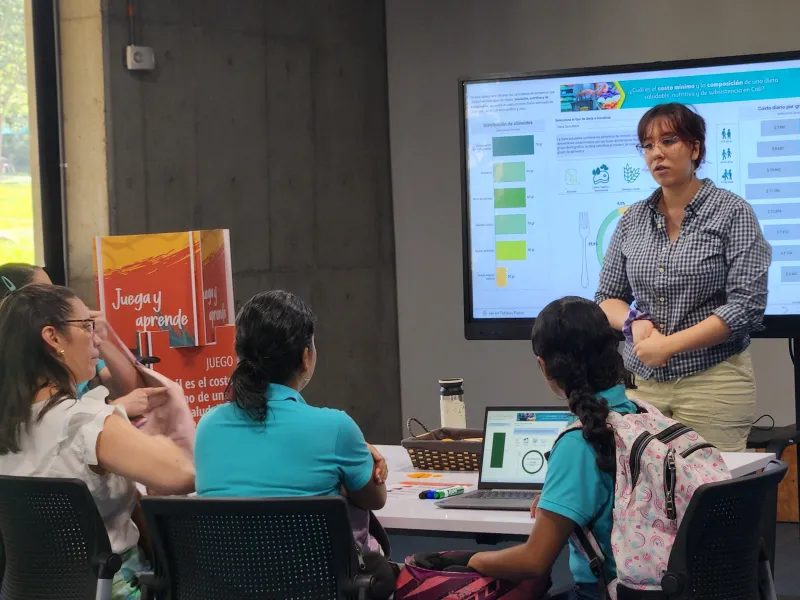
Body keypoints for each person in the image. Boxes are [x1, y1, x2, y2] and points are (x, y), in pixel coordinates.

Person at [0, 284, 195, 599]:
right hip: (109, 588)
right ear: (53, 338)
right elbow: (181, 475)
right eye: (87, 326)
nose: (97, 339)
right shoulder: (85, 423)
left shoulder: (12, 423)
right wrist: (169, 424)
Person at [596, 103, 770, 451]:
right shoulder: (632, 220)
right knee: (645, 495)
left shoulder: (732, 212)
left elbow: (747, 306)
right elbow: (606, 298)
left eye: (668, 141)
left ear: (695, 148)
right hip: (642, 385)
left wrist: (669, 346)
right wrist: (634, 323)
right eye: (647, 145)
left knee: (711, 496)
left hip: (713, 380)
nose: (656, 153)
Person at [467, 297, 635, 600]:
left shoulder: (578, 442)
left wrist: (473, 561)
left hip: (601, 592)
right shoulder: (641, 414)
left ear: (544, 366)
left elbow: (533, 561)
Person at [195, 290, 387, 512]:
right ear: (306, 357)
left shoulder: (208, 427)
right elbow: (374, 500)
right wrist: (363, 461)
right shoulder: (335, 428)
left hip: (225, 548)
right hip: (312, 548)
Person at [0, 263, 156, 420]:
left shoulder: (76, 355)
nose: (58, 298)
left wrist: (101, 336)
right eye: (47, 292)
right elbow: (50, 423)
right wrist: (113, 410)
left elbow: (133, 390)